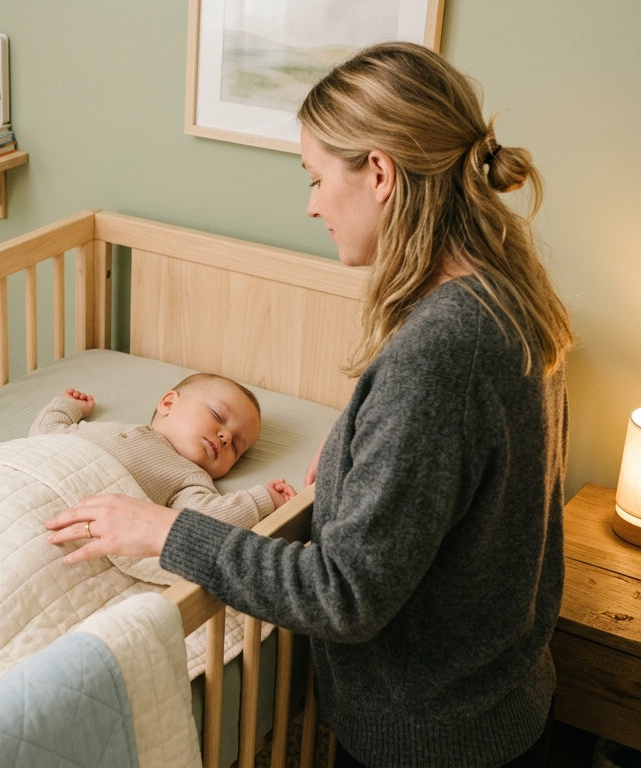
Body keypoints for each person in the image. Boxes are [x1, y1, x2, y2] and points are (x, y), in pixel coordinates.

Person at [45, 41, 572, 768]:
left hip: (435, 740)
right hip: (498, 704)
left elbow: (344, 598)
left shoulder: (441, 351)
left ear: (380, 172)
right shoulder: (505, 295)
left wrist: (165, 530)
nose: (312, 203)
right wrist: (359, 468)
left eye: (318, 177)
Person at [30, 373, 295, 529]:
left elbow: (204, 519)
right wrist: (67, 406)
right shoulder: (105, 428)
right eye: (217, 415)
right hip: (35, 477)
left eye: (236, 447)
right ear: (168, 402)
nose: (226, 437)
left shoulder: (190, 479)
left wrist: (263, 499)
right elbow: (44, 436)